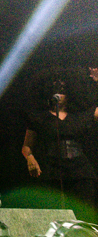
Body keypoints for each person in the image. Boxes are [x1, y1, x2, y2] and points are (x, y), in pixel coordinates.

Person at [22, 71, 98, 216]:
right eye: (54, 90)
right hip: (52, 170)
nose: (58, 94)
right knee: (54, 215)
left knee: (85, 212)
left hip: (80, 171)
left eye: (62, 90)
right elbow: (26, 146)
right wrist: (30, 158)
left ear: (70, 94)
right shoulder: (39, 118)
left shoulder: (79, 117)